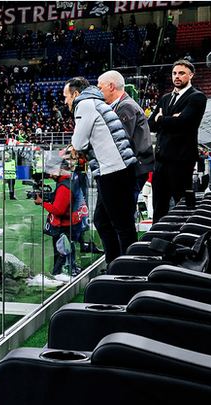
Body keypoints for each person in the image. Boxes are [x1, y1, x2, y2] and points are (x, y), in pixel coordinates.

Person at [63, 76, 138, 264]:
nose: (65, 101)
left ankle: (132, 269)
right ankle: (114, 265)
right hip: (116, 169)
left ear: (76, 94)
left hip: (113, 171)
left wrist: (74, 148)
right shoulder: (95, 101)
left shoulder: (85, 104)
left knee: (122, 226)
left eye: (67, 97)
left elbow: (79, 143)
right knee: (103, 221)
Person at [148, 59, 207, 221]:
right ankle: (156, 241)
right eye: (174, 73)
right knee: (158, 207)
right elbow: (150, 124)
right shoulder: (165, 98)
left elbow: (183, 122)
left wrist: (162, 120)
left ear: (191, 75)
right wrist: (169, 120)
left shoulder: (197, 97)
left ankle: (184, 239)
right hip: (160, 161)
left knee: (184, 207)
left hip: (181, 160)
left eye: (181, 73)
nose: (177, 76)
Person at [98, 70, 155, 203]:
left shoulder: (126, 106)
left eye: (100, 87)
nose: (99, 92)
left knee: (122, 215)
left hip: (132, 170)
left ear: (111, 86)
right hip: (132, 168)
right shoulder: (122, 105)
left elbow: (121, 139)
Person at [35, 152, 90, 279]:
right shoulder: (72, 178)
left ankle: (60, 274)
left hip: (65, 224)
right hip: (73, 221)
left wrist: (42, 203)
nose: (50, 175)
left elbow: (59, 210)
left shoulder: (65, 187)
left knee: (61, 251)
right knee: (68, 248)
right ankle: (69, 268)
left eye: (52, 171)